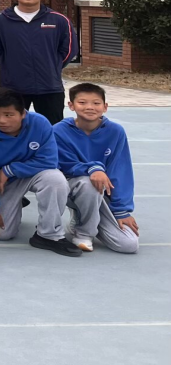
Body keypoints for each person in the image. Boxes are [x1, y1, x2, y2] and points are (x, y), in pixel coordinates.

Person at [0, 88, 78, 256]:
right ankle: (15, 201)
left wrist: (10, 169)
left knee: (55, 179)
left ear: (23, 113)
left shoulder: (40, 123)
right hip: (4, 183)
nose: (1, 120)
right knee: (2, 234)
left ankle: (48, 234)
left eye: (8, 115)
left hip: (33, 174)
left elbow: (49, 160)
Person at [54, 83, 138, 254]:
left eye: (96, 103)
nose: (90, 107)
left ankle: (84, 216)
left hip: (102, 191)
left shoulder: (115, 131)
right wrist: (93, 169)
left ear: (105, 107)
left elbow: (121, 170)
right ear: (71, 105)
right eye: (82, 102)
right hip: (71, 189)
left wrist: (121, 210)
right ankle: (84, 232)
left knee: (128, 245)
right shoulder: (58, 131)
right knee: (88, 183)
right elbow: (63, 164)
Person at [0, 0, 77, 124]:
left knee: (52, 129)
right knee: (13, 128)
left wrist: (52, 66)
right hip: (13, 87)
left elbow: (68, 50)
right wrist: (10, 67)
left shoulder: (59, 20)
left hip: (49, 86)